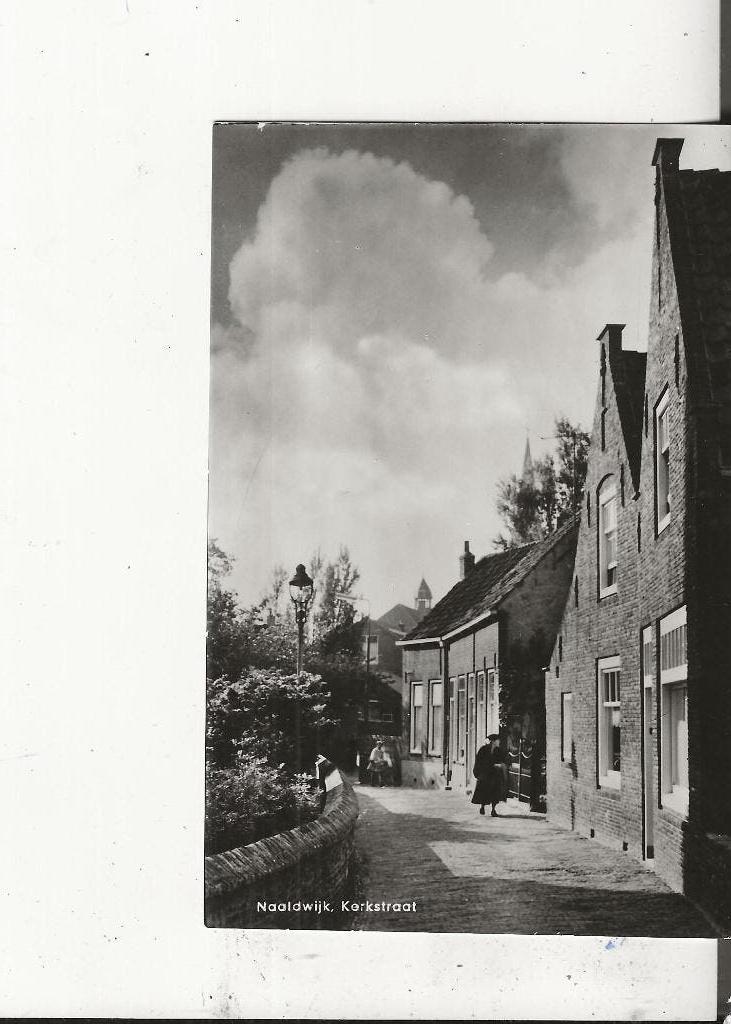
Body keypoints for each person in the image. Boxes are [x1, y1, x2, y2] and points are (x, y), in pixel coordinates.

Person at [471, 733, 509, 816]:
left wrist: (501, 764)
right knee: (484, 792)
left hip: (495, 775)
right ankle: (482, 806)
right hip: (485, 774)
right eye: (498, 740)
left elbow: (502, 760)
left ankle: (493, 810)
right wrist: (479, 772)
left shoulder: (498, 750)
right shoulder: (483, 749)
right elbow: (479, 762)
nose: (499, 742)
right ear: (493, 741)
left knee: (495, 792)